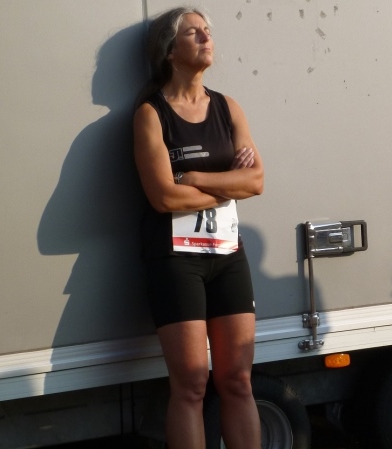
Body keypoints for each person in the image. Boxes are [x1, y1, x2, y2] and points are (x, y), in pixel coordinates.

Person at [133, 6, 264, 449]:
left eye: (208, 31)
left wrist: (195, 178)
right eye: (194, 33)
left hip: (228, 256)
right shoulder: (151, 114)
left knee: (238, 380)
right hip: (176, 260)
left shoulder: (227, 108)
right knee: (191, 385)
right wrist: (228, 184)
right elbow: (164, 198)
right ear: (170, 51)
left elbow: (256, 181)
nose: (207, 38)